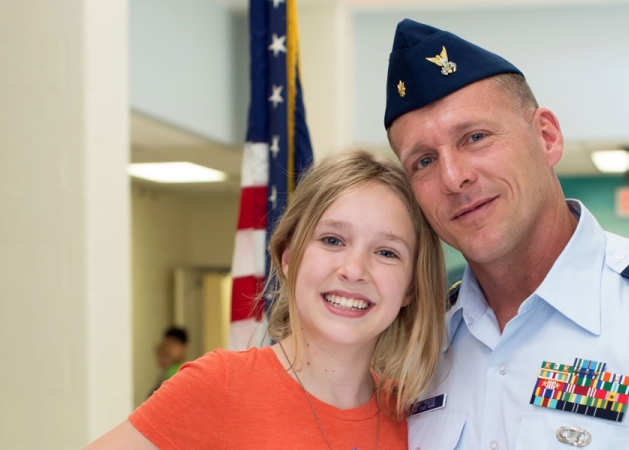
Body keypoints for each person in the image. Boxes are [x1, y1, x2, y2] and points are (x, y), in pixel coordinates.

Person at [383, 19, 629, 449]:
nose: (454, 177)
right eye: (423, 161)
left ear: (547, 137)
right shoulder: (419, 342)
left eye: (475, 137)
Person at [86, 148, 447, 449]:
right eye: (332, 240)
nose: (354, 270)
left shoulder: (419, 416)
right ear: (289, 258)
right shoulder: (218, 387)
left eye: (386, 252)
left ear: (412, 286)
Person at [149, 326, 188, 396]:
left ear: (184, 347)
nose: (168, 349)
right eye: (167, 344)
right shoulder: (166, 372)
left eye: (173, 344)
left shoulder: (183, 372)